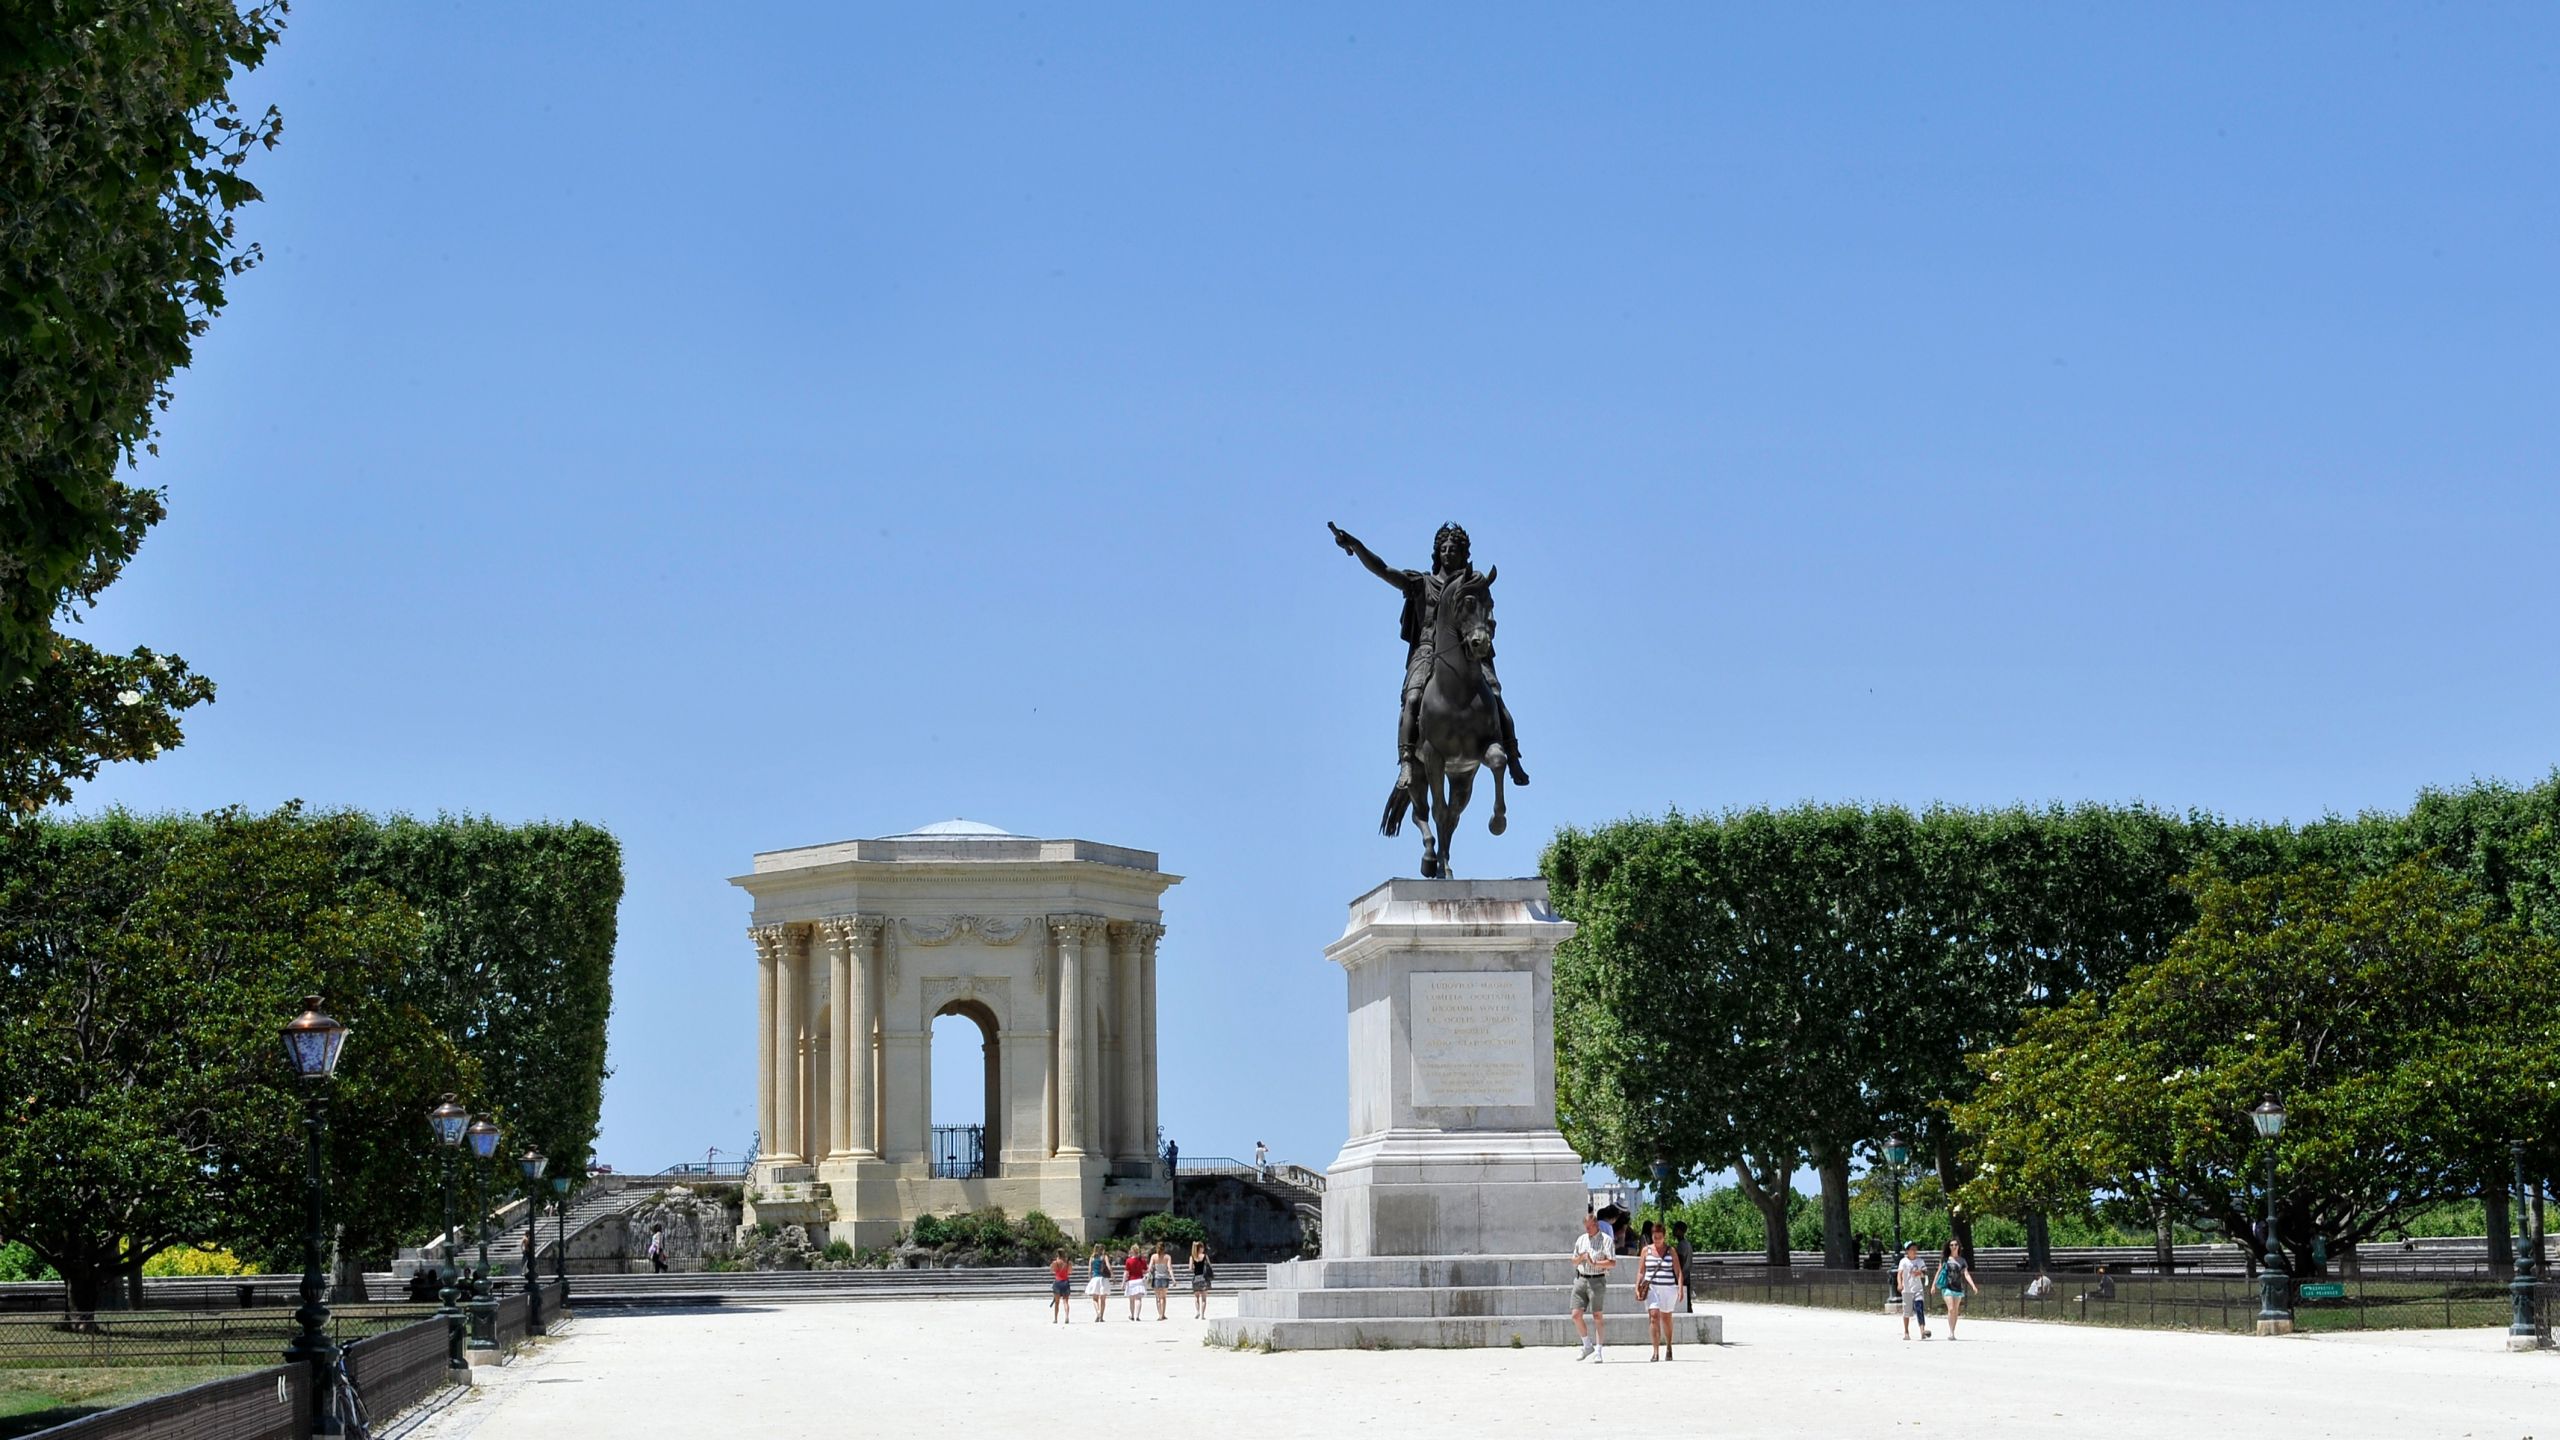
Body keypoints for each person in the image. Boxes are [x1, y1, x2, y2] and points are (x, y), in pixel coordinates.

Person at [1327, 520, 1531, 791]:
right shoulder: (1421, 583)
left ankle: (1513, 756)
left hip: (1468, 651)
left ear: (1463, 554)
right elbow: (1384, 570)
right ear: (1437, 553)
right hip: (1427, 650)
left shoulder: (1471, 585)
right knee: (1412, 699)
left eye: (1454, 548)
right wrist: (1356, 545)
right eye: (1444, 548)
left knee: (1494, 694)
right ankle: (1407, 761)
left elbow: (1484, 614)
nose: (1448, 552)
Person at [1570, 1211, 1616, 1362]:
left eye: (1589, 1227)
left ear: (1596, 1225)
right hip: (1581, 1278)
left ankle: (1599, 1350)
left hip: (1597, 1279)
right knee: (1576, 1314)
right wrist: (1581, 1258)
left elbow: (1612, 1262)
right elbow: (1573, 1261)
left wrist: (1594, 1263)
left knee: (1597, 1315)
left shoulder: (1606, 1240)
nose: (1587, 1230)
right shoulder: (1581, 1239)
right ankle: (1586, 1344)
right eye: (1586, 1227)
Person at [1639, 1221, 1686, 1361]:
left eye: (1659, 1236)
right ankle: (1655, 1351)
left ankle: (1669, 1346)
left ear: (1664, 1236)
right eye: (1655, 1236)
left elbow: (1678, 1271)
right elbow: (1641, 1271)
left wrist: (1680, 1288)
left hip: (1668, 1288)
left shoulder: (1671, 1251)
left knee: (1666, 1318)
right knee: (1653, 1316)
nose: (1657, 1239)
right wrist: (1637, 1286)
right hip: (1652, 1287)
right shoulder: (1645, 1251)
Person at [1935, 1240, 1976, 1338]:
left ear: (1959, 1246)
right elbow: (1938, 1272)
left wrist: (1973, 1285)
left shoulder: (1962, 1260)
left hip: (1958, 1287)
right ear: (1949, 1247)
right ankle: (1950, 1331)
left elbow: (1966, 1274)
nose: (1954, 1246)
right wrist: (1933, 1285)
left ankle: (1953, 1331)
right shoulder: (1945, 1259)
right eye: (1951, 1245)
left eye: (1956, 1244)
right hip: (1947, 1287)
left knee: (1956, 1310)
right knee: (1951, 1308)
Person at [1895, 1241, 1932, 1340]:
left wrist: (1920, 1272)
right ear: (1907, 1251)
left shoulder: (1920, 1261)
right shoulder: (1903, 1261)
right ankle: (1906, 1332)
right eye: (1912, 1249)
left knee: (1919, 1309)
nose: (1914, 1251)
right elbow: (1899, 1274)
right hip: (1907, 1289)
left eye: (1915, 1249)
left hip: (1917, 1289)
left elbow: (1925, 1273)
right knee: (1907, 1312)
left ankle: (1922, 1331)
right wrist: (1899, 1283)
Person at [1671, 1220, 1696, 1314]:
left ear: (1680, 1231)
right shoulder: (1688, 1244)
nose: (1673, 1231)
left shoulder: (1681, 1245)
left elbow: (1679, 1263)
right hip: (1687, 1276)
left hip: (1683, 1277)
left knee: (1684, 1302)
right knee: (1688, 1302)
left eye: (1675, 1229)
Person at [1086, 1243, 1113, 1322]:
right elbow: (1109, 1266)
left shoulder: (1092, 1257)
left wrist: (1090, 1278)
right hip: (1103, 1279)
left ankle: (1098, 1312)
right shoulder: (1104, 1257)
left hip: (1095, 1278)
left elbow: (1089, 1270)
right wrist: (1113, 1276)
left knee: (1095, 1299)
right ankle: (1101, 1316)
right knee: (1103, 1299)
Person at [1148, 1241, 1174, 1320]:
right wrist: (1173, 1279)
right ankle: (1163, 1314)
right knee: (1163, 1297)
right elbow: (1169, 1269)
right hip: (1165, 1278)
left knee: (1158, 1298)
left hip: (1156, 1278)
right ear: (1164, 1248)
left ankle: (1159, 1314)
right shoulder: (1167, 1257)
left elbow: (1150, 1268)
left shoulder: (1153, 1256)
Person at [1189, 1241, 1214, 1319]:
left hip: (1196, 1278)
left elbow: (1190, 1268)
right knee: (1203, 1298)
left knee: (1196, 1297)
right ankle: (1203, 1315)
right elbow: (1210, 1266)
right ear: (1200, 1248)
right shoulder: (1205, 1256)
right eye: (1202, 1247)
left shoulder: (1192, 1257)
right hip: (1204, 1279)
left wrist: (1195, 1267)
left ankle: (1197, 1312)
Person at [1123, 1245, 1148, 1320]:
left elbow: (1126, 1273)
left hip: (1131, 1281)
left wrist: (1123, 1283)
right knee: (1138, 1299)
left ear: (1132, 1251)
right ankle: (1137, 1316)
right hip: (1139, 1281)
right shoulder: (1142, 1260)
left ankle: (1132, 1315)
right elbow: (1145, 1270)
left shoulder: (1128, 1260)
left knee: (1131, 1300)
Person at [1050, 1250, 1074, 1324]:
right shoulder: (1068, 1262)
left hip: (1057, 1282)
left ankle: (1055, 1319)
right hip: (1065, 1282)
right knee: (1065, 1302)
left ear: (1058, 1254)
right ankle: (1066, 1317)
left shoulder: (1055, 1262)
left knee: (1057, 1303)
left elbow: (1052, 1271)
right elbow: (1070, 1272)